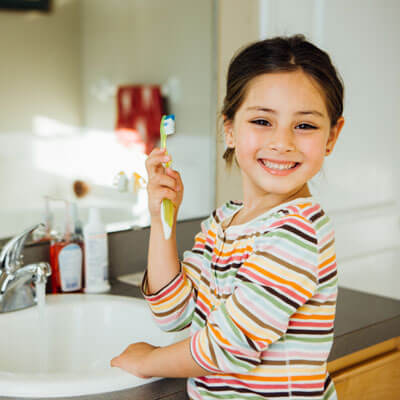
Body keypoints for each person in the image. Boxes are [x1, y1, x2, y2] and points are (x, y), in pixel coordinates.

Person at [111, 33, 345, 400]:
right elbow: (175, 314)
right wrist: (162, 220)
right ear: (230, 130)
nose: (282, 141)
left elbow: (226, 348)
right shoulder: (225, 222)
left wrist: (149, 361)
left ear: (332, 136)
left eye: (305, 125)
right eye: (262, 121)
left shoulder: (297, 233)